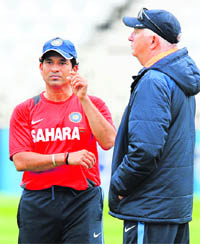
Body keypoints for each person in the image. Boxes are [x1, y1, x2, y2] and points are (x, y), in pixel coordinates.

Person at [9, 37, 116, 244]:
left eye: (62, 62)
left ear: (74, 69)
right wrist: (66, 158)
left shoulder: (93, 104)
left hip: (82, 201)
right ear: (40, 68)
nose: (55, 68)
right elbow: (21, 161)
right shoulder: (25, 110)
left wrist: (83, 99)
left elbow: (109, 141)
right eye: (49, 62)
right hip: (37, 201)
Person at [108, 8, 200, 244]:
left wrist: (119, 184)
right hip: (172, 209)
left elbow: (145, 150)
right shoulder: (178, 79)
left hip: (150, 210)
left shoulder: (154, 81)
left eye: (136, 31)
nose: (130, 37)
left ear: (152, 40)